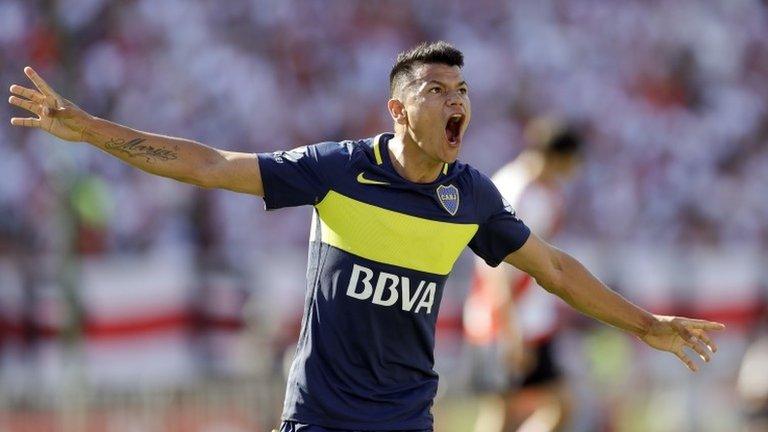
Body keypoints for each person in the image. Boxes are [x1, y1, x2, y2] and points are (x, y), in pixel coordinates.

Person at [7, 41, 724, 432]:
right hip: (320, 418)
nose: (458, 102)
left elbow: (557, 270)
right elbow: (208, 165)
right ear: (398, 109)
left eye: (464, 92)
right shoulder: (338, 171)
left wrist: (647, 324)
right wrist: (88, 128)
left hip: (407, 420)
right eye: (439, 90)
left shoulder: (469, 195)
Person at [464, 119, 584, 432]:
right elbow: (496, 268)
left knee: (561, 405)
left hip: (531, 319)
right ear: (560, 157)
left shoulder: (546, 192)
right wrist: (509, 329)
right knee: (501, 412)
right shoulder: (514, 191)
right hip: (501, 318)